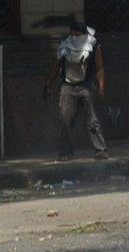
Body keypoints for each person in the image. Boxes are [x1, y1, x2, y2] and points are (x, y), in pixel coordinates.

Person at [45, 20, 108, 160]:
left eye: (78, 35)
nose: (75, 38)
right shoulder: (64, 46)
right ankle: (65, 152)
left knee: (92, 119)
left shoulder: (93, 45)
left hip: (86, 85)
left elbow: (99, 67)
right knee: (65, 120)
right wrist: (48, 84)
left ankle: (100, 149)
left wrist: (101, 87)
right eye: (72, 35)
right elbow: (55, 67)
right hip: (68, 86)